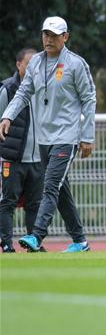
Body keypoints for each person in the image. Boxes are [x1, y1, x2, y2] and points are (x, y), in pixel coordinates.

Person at [0, 17, 95, 253]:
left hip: (67, 137)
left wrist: (87, 135)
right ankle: (80, 241)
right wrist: (8, 116)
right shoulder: (35, 64)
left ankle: (36, 235)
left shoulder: (76, 64)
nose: (48, 39)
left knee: (50, 186)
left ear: (65, 37)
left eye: (54, 35)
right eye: (45, 34)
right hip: (44, 138)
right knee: (61, 191)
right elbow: (23, 93)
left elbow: (89, 99)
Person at [0, 48, 40, 252]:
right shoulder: (7, 88)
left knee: (34, 205)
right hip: (12, 158)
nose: (33, 68)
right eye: (28, 64)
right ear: (18, 65)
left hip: (36, 159)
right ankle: (6, 244)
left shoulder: (43, 88)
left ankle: (34, 243)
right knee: (8, 203)